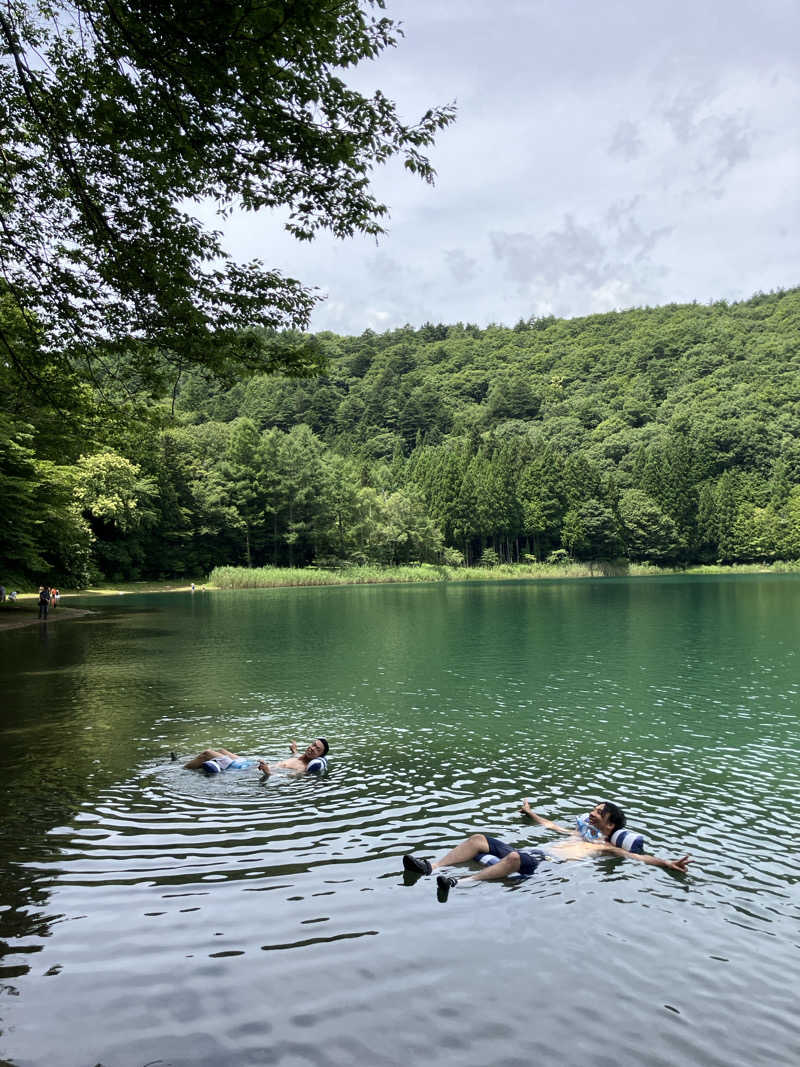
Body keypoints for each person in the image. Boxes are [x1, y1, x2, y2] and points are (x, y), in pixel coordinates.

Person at [402, 798, 693, 896]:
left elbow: (636, 857)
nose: (592, 813)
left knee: (515, 856)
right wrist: (531, 813)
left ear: (610, 824)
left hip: (543, 865)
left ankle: (457, 883)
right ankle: (432, 867)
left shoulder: (606, 848)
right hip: (532, 854)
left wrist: (667, 863)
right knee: (479, 839)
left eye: (598, 812)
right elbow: (550, 826)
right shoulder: (580, 835)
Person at [257, 737, 329, 777]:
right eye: (313, 745)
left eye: (317, 749)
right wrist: (294, 750)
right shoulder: (299, 757)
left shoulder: (302, 768)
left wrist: (268, 772)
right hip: (256, 767)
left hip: (258, 773)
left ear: (319, 756)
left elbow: (284, 776)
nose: (313, 748)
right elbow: (297, 756)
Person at [183, 747, 253, 773]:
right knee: (221, 750)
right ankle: (199, 763)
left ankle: (184, 768)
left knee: (207, 753)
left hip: (237, 766)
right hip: (245, 763)